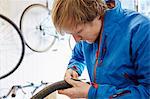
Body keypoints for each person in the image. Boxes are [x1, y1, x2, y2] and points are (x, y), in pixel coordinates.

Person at [51, 0, 150, 98]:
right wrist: (74, 68)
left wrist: (92, 93)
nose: (77, 40)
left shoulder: (141, 31)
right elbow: (78, 56)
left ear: (98, 14)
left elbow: (148, 92)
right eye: (71, 34)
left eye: (79, 32)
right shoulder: (86, 39)